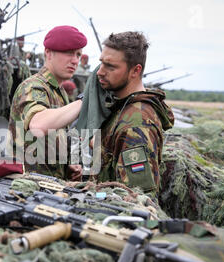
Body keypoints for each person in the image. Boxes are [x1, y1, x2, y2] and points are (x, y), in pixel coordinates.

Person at [75, 31, 175, 196]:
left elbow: (136, 197)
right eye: (101, 63)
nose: (100, 72)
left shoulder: (137, 123)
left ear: (135, 71)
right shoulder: (122, 108)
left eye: (111, 66)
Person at [7, 25, 87, 180]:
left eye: (78, 55)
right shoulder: (33, 86)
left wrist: (65, 167)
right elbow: (38, 125)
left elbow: (51, 139)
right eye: (69, 53)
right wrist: (83, 101)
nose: (75, 60)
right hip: (25, 185)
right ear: (48, 53)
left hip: (47, 184)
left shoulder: (59, 92)